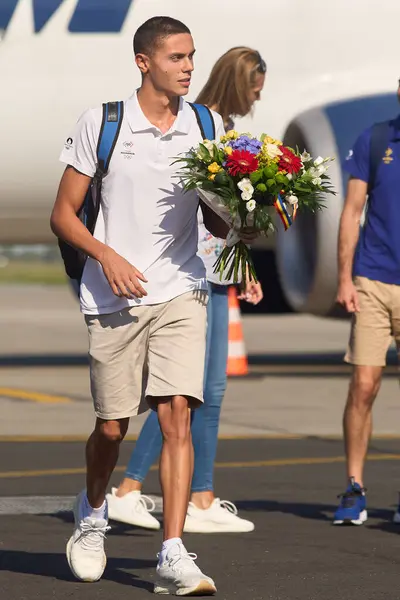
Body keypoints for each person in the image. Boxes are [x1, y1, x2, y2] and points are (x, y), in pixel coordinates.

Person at [50, 16, 258, 595]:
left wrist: (251, 212)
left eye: (192, 56)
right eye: (176, 57)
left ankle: (173, 550)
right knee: (113, 428)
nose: (189, 66)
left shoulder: (207, 123)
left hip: (182, 289)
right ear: (144, 62)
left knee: (176, 416)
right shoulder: (105, 121)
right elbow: (62, 214)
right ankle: (92, 514)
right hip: (113, 293)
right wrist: (106, 256)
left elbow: (216, 215)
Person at [106, 47, 266, 534]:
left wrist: (245, 261)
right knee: (189, 393)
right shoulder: (210, 127)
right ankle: (135, 488)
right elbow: (208, 208)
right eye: (255, 85)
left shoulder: (216, 124)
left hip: (216, 268)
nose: (260, 94)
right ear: (239, 82)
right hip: (199, 271)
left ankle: (197, 493)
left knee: (201, 392)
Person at [334, 79, 400, 526]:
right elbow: (352, 210)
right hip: (374, 277)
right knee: (364, 386)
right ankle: (354, 486)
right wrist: (344, 277)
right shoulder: (376, 139)